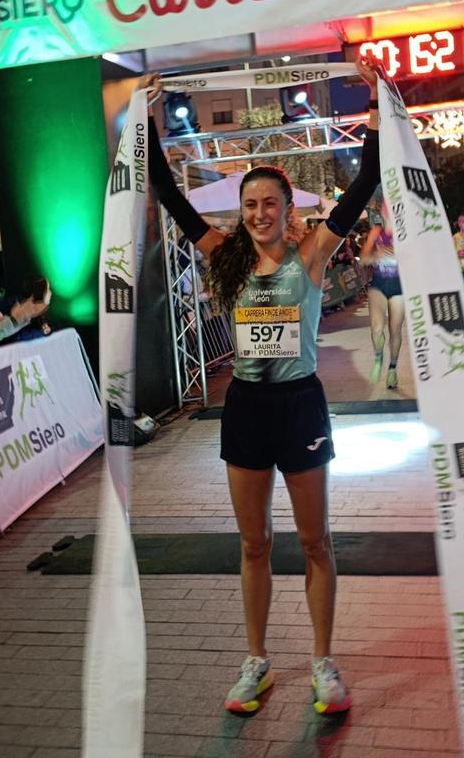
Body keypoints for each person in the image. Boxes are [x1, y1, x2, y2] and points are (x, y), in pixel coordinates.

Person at [140, 55, 382, 717]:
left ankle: (324, 665)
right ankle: (256, 662)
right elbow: (166, 191)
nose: (258, 213)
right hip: (246, 407)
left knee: (314, 543)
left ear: (286, 206)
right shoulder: (225, 257)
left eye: (269, 202)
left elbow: (365, 186)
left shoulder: (311, 254)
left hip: (300, 403)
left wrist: (376, 107)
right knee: (253, 544)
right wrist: (147, 116)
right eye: (249, 204)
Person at [359, 202, 403, 389]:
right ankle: (378, 358)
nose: (388, 209)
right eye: (386, 206)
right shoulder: (376, 232)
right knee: (377, 329)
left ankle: (392, 369)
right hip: (378, 283)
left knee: (395, 331)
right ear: (382, 211)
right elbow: (362, 261)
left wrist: (397, 254)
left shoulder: (404, 233)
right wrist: (377, 253)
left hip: (399, 285)